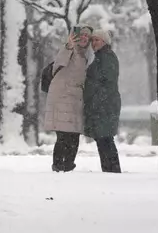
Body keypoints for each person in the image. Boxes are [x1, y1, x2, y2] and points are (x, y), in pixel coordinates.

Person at [45, 25, 94, 172]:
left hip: (75, 100)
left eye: (87, 36)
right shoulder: (70, 50)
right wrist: (68, 45)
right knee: (63, 134)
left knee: (74, 135)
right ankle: (59, 165)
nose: (84, 38)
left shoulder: (87, 55)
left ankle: (68, 165)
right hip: (62, 98)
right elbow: (60, 60)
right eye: (82, 35)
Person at [84, 29, 122, 173]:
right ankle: (110, 170)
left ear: (105, 42)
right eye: (92, 40)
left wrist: (92, 95)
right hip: (103, 104)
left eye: (97, 40)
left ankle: (112, 171)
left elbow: (106, 81)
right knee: (104, 140)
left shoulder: (107, 57)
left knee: (105, 140)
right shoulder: (101, 57)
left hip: (105, 105)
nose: (94, 43)